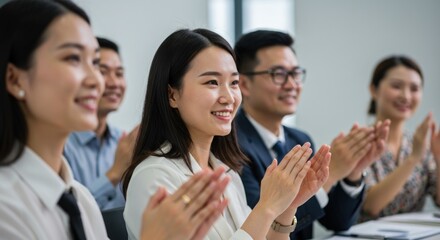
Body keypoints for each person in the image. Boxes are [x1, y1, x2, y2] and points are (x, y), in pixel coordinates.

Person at [0, 1, 231, 239]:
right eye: (72, 58)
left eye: (94, 62)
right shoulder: (6, 207)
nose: (97, 81)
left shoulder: (80, 199)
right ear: (16, 79)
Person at [122, 28, 332, 240]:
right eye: (212, 82)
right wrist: (267, 206)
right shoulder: (152, 177)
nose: (229, 97)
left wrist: (288, 206)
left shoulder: (227, 173)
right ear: (172, 94)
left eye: (233, 83)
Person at [234, 30, 390, 239]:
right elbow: (259, 228)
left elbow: (337, 221)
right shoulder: (231, 144)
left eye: (296, 74)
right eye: (278, 74)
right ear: (244, 84)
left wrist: (353, 172)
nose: (292, 85)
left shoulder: (299, 139)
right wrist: (332, 173)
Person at [360, 55, 440, 221]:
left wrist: (439, 160)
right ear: (374, 90)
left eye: (414, 89)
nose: (406, 96)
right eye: (396, 86)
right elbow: (370, 206)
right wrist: (413, 159)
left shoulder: (418, 143)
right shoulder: (359, 142)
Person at [64, 36, 137, 210]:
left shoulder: (125, 141)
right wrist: (115, 173)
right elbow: (65, 214)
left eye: (119, 73)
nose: (114, 83)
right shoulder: (62, 145)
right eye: (103, 72)